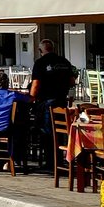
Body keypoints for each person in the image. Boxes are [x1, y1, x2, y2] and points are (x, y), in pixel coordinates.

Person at [30, 39, 75, 167]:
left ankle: (51, 161)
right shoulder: (64, 61)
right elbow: (72, 81)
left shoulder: (40, 63)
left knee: (47, 131)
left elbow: (36, 84)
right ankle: (60, 159)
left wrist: (31, 98)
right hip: (61, 101)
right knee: (60, 130)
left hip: (46, 101)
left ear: (40, 51)